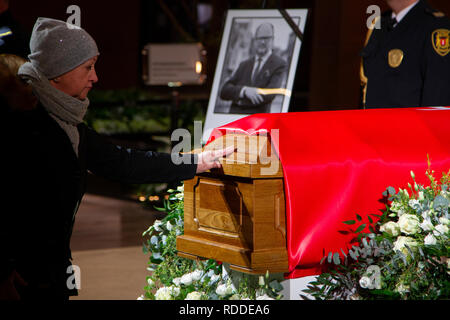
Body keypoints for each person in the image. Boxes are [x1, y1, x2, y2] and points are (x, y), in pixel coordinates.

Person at [0, 17, 233, 300]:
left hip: (45, 275)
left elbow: (125, 162)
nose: (95, 77)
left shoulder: (68, 125)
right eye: (87, 67)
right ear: (58, 72)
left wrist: (198, 161)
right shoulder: (20, 125)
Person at [360, 0, 450, 108]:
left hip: (410, 124)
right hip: (371, 122)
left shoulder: (435, 26)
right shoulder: (380, 23)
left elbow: (437, 100)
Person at [219, 22, 287, 114]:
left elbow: (269, 94)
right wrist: (244, 90)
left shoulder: (279, 64)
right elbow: (224, 91)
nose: (262, 42)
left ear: (272, 40)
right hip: (234, 122)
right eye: (259, 38)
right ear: (255, 41)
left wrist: (238, 101)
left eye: (266, 38)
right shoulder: (244, 64)